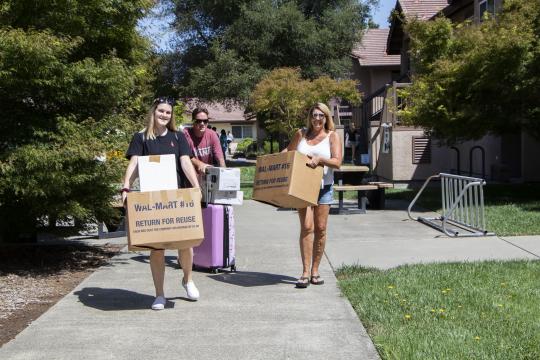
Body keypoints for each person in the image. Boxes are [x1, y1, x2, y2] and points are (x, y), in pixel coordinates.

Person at [121, 97, 202, 309]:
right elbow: (135, 163)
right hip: (153, 200)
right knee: (157, 249)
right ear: (153, 112)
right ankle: (159, 294)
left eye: (168, 112)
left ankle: (188, 279)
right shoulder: (141, 138)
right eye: (161, 111)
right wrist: (125, 187)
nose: (164, 115)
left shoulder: (179, 137)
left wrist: (196, 187)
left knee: (185, 243)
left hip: (177, 197)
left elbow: (185, 162)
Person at [283, 102, 342, 288]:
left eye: (321, 115)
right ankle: (305, 272)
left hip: (323, 188)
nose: (317, 119)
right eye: (314, 115)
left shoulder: (332, 136)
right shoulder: (301, 134)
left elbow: (337, 162)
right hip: (302, 187)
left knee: (321, 228)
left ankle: (316, 270)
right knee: (307, 227)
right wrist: (272, 162)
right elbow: (288, 152)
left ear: (326, 118)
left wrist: (320, 160)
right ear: (310, 117)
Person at [183, 107, 226, 174]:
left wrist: (224, 172)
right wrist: (200, 164)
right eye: (198, 121)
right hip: (189, 176)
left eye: (205, 121)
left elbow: (219, 156)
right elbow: (185, 156)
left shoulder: (212, 134)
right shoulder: (185, 134)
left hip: (207, 175)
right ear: (193, 121)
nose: (202, 123)